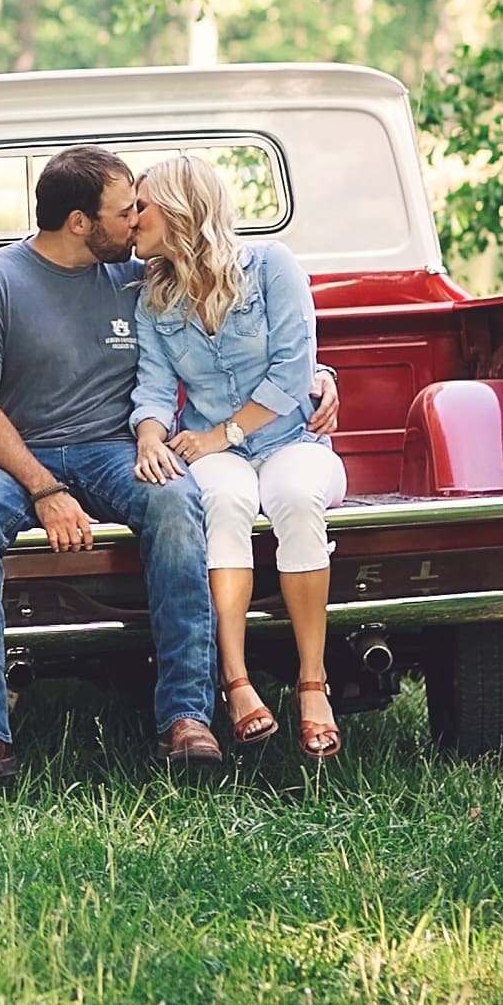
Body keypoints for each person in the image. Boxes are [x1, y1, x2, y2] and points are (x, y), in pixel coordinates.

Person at [0, 145, 228, 783]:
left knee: (177, 501)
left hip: (113, 450)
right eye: (125, 212)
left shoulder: (135, 277)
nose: (137, 221)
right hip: (14, 457)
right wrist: (43, 487)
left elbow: (235, 324)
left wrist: (314, 372)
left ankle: (186, 719)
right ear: (78, 223)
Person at [128, 151, 351, 759]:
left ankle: (312, 682)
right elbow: (150, 384)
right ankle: (236, 681)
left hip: (290, 439)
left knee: (296, 497)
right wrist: (150, 432)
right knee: (221, 500)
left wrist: (223, 434)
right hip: (212, 450)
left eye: (141, 207)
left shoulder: (272, 267)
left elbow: (293, 372)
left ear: (178, 210)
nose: (131, 219)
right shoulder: (153, 297)